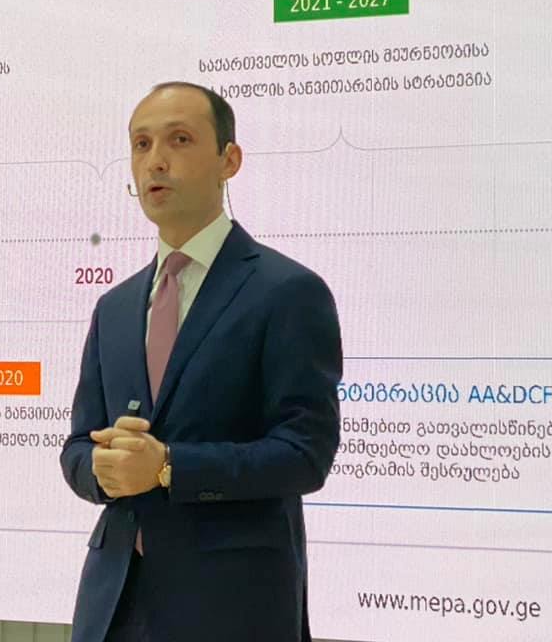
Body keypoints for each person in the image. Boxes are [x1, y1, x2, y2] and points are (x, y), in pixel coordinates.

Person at [60, 81, 343, 641]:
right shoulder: (115, 308)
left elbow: (305, 454)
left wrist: (169, 466)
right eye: (141, 144)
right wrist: (102, 470)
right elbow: (76, 448)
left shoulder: (287, 292)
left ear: (228, 160)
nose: (155, 161)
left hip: (232, 608)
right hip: (113, 606)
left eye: (180, 139)